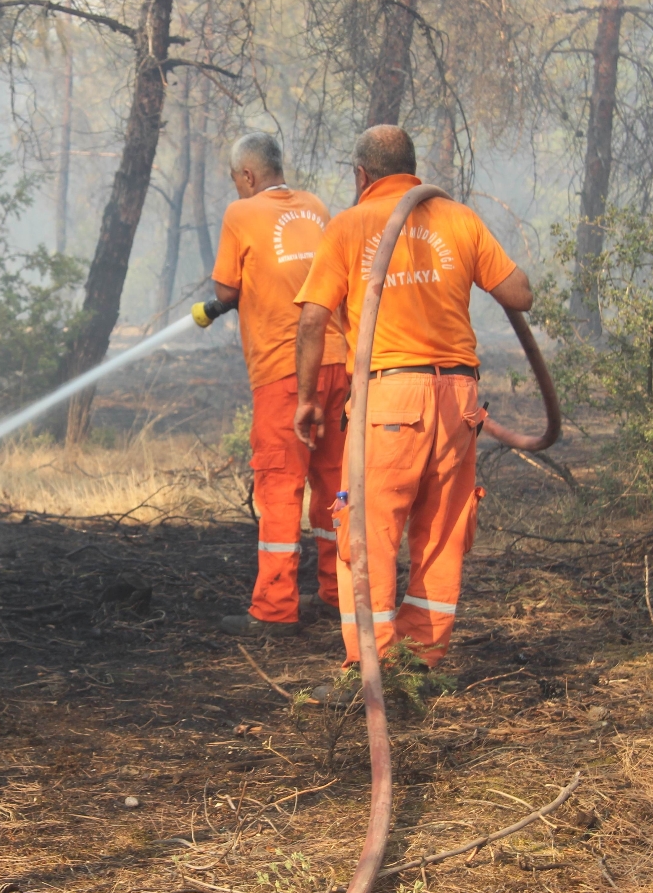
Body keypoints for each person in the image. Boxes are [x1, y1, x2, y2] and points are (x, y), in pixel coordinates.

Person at [292, 125, 533, 669]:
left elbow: (311, 320)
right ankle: (423, 662)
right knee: (443, 532)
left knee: (368, 531)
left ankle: (374, 669)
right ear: (412, 169)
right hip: (459, 400)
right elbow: (520, 293)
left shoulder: (350, 225)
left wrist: (307, 399)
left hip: (390, 400)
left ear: (361, 175)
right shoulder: (459, 219)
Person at [211, 132, 351, 637]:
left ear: (248, 175)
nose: (237, 186)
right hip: (337, 363)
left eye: (236, 179)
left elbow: (226, 288)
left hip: (285, 370)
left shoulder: (240, 213)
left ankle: (275, 609)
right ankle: (339, 595)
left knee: (280, 487)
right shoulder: (315, 207)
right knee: (335, 484)